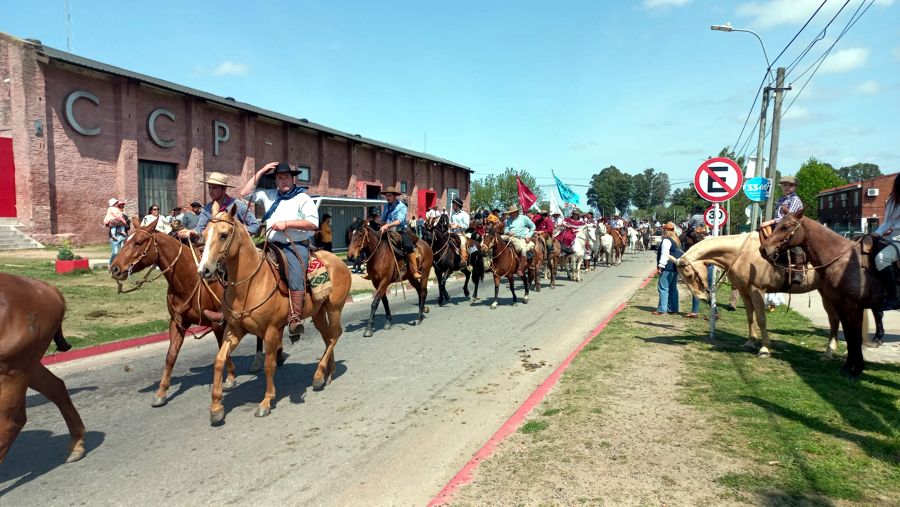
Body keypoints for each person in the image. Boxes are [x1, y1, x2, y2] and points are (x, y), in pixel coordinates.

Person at [239, 162, 319, 341]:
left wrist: (287, 224)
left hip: (294, 245)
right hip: (271, 244)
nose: (283, 180)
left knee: (296, 273)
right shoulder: (269, 195)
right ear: (275, 180)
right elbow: (243, 194)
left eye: (286, 177)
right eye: (279, 177)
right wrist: (260, 171)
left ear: (293, 179)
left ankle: (295, 318)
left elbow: (313, 224)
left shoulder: (303, 198)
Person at [177, 172, 261, 243]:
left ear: (224, 189)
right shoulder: (206, 209)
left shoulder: (238, 205)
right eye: (209, 187)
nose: (211, 191)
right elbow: (200, 228)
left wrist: (240, 233)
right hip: (214, 249)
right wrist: (190, 232)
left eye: (214, 188)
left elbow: (255, 225)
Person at [367, 185, 421, 281]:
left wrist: (387, 225)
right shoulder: (386, 206)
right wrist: (372, 222)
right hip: (387, 231)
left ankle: (415, 270)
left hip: (400, 231)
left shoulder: (402, 206)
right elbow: (382, 219)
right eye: (386, 196)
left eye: (389, 196)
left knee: (408, 246)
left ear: (394, 196)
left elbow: (399, 221)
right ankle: (372, 270)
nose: (387, 198)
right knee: (373, 243)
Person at [761, 175, 805, 285]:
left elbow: (789, 218)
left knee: (795, 245)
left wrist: (770, 222)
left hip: (792, 228)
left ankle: (799, 271)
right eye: (784, 185)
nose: (786, 188)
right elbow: (778, 215)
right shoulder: (781, 199)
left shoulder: (795, 200)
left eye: (790, 186)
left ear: (794, 187)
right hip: (780, 227)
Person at [873, 173, 900, 310]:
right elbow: (888, 222)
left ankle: (894, 297)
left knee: (882, 259)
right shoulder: (892, 200)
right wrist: (875, 234)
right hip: (892, 236)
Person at [653, 222, 682, 315]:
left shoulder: (666, 240)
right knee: (673, 288)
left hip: (667, 267)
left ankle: (662, 309)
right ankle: (673, 308)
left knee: (663, 288)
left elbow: (665, 254)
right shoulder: (676, 240)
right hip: (675, 267)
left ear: (665, 230)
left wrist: (660, 266)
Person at [503, 205, 536, 277]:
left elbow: (533, 226)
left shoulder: (524, 218)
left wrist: (528, 236)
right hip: (510, 237)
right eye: (510, 213)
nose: (511, 214)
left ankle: (521, 268)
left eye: (512, 212)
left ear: (516, 212)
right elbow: (506, 228)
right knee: (496, 240)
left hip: (521, 238)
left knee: (523, 250)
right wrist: (507, 232)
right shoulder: (509, 220)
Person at [104, 197, 129, 264]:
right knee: (115, 252)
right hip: (115, 236)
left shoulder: (125, 217)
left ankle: (122, 264)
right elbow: (108, 224)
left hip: (123, 236)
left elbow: (128, 227)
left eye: (122, 206)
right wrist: (115, 222)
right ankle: (110, 264)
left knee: (123, 251)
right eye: (120, 206)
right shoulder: (111, 214)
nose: (121, 207)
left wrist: (124, 222)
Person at [448, 196, 471, 267]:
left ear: (457, 205)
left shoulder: (464, 214)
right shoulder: (452, 214)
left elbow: (466, 225)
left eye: (454, 204)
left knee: (462, 243)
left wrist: (457, 225)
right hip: (451, 233)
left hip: (460, 234)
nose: (453, 205)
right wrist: (449, 225)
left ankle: (463, 260)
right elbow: (451, 223)